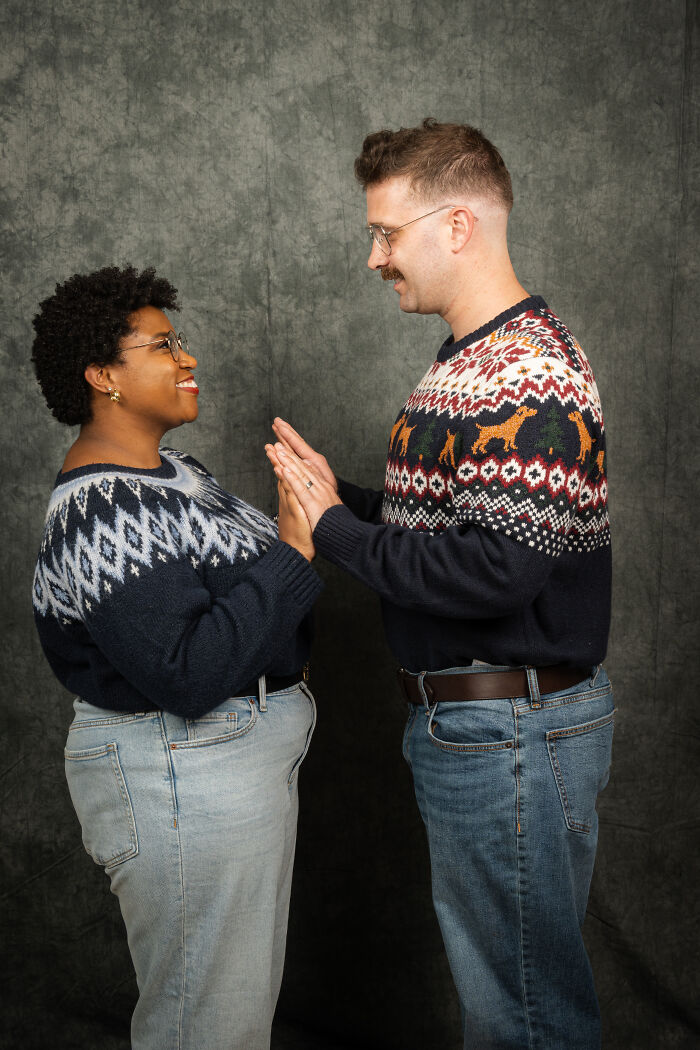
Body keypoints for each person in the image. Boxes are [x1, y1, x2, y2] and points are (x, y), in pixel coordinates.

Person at [266, 119, 613, 1049]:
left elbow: (497, 574)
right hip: (485, 728)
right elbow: (458, 526)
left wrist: (333, 528)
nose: (374, 257)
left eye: (387, 233)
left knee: (525, 1015)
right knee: (514, 997)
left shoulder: (527, 372)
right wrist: (344, 496)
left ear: (456, 226)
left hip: (509, 733)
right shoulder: (471, 360)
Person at [31, 265, 322, 1050]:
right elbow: (187, 671)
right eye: (161, 345)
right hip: (182, 771)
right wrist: (294, 551)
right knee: (207, 1028)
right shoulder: (102, 507)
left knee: (227, 1018)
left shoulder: (170, 477)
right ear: (103, 377)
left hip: (217, 768)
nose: (186, 359)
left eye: (178, 342)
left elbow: (230, 597)